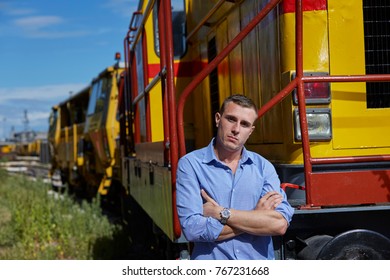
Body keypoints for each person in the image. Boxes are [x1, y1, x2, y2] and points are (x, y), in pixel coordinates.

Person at [176, 94, 294, 260]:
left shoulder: (264, 167)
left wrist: (221, 213)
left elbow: (279, 224)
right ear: (218, 119)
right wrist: (255, 216)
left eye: (244, 124)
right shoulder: (190, 165)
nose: (236, 129)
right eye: (231, 119)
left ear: (251, 131)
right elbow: (192, 229)